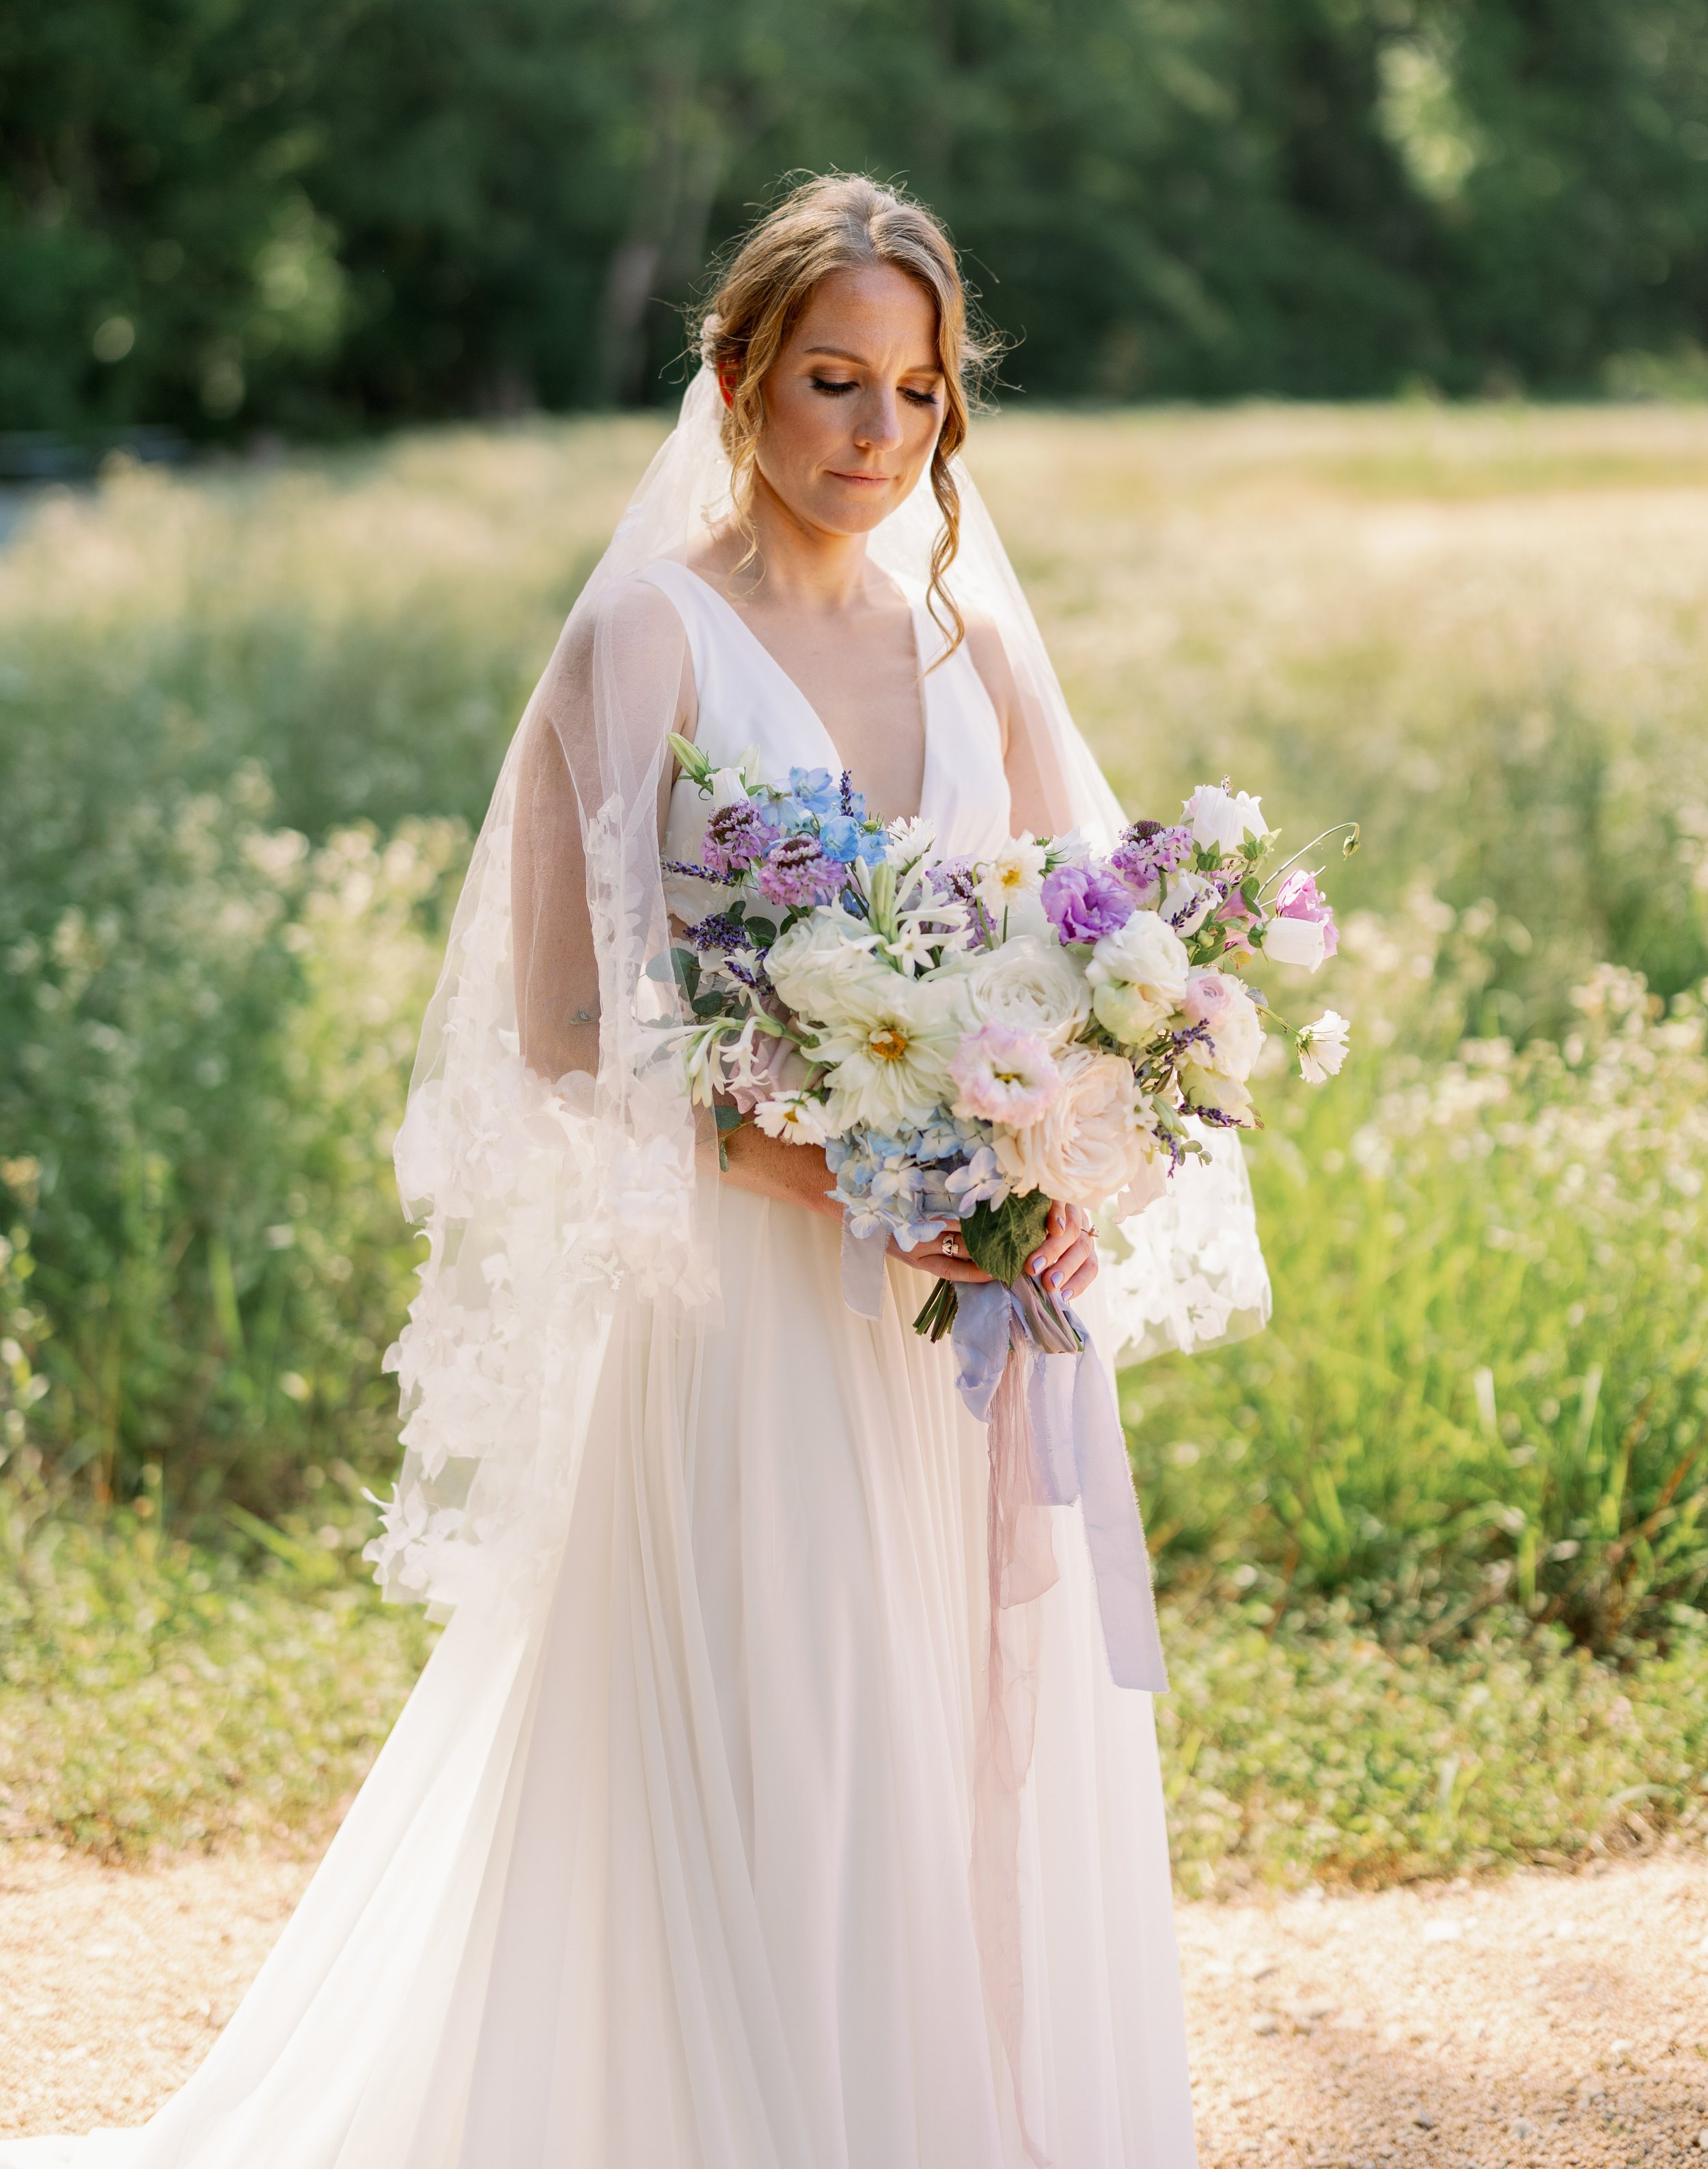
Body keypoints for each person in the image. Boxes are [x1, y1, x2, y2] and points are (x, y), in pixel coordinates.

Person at [5, 175, 1266, 2169]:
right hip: (757, 1295)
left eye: (918, 395)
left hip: (960, 1299)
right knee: (802, 1733)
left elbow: (1068, 950)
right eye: (833, 380)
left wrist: (1059, 1152)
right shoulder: (647, 632)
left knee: (960, 1748)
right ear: (739, 375)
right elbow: (570, 1025)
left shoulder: (971, 650)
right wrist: (813, 1165)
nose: (873, 434)